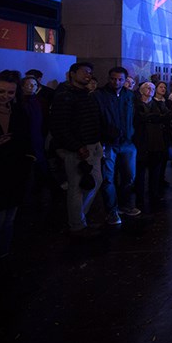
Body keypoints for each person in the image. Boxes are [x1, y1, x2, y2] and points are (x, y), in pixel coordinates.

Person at [0, 70, 33, 282]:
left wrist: (28, 158)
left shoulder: (18, 111)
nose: (5, 96)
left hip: (14, 173)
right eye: (1, 91)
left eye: (11, 92)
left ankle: (2, 256)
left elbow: (26, 138)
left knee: (9, 220)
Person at [49, 62, 104, 235]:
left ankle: (80, 217)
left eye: (90, 72)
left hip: (93, 144)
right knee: (76, 187)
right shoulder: (64, 96)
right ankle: (77, 224)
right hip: (79, 147)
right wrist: (76, 146)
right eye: (84, 72)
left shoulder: (87, 95)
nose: (88, 75)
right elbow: (60, 126)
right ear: (72, 74)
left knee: (96, 180)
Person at [94, 66, 140, 223]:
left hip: (127, 141)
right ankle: (111, 210)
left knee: (129, 176)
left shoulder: (129, 95)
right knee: (108, 178)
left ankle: (125, 205)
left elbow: (135, 117)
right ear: (109, 78)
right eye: (113, 79)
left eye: (120, 79)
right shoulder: (99, 95)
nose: (116, 82)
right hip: (108, 142)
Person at [133, 82, 171, 210]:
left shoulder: (158, 104)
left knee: (155, 171)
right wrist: (156, 117)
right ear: (142, 90)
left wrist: (154, 118)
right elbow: (139, 119)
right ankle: (140, 198)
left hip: (157, 142)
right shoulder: (137, 105)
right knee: (140, 173)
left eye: (152, 88)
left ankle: (154, 195)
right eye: (148, 88)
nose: (151, 90)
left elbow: (167, 116)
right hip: (142, 142)